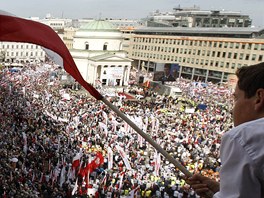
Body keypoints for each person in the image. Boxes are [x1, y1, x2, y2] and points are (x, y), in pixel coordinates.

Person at [186, 62, 264, 197]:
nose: (233, 108)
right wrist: (220, 192)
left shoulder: (243, 138)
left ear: (259, 98)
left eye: (236, 98)